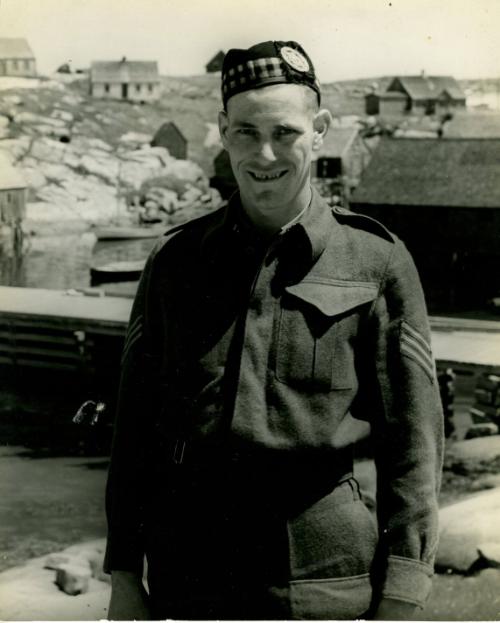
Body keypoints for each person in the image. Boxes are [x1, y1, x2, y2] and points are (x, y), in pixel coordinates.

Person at [104, 40, 444, 620]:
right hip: (191, 580)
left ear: (319, 130)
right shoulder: (176, 262)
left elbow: (413, 443)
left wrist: (403, 591)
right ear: (221, 130)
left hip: (324, 585)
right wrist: (124, 573)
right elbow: (136, 428)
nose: (264, 154)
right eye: (244, 132)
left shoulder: (376, 261)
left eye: (284, 132)